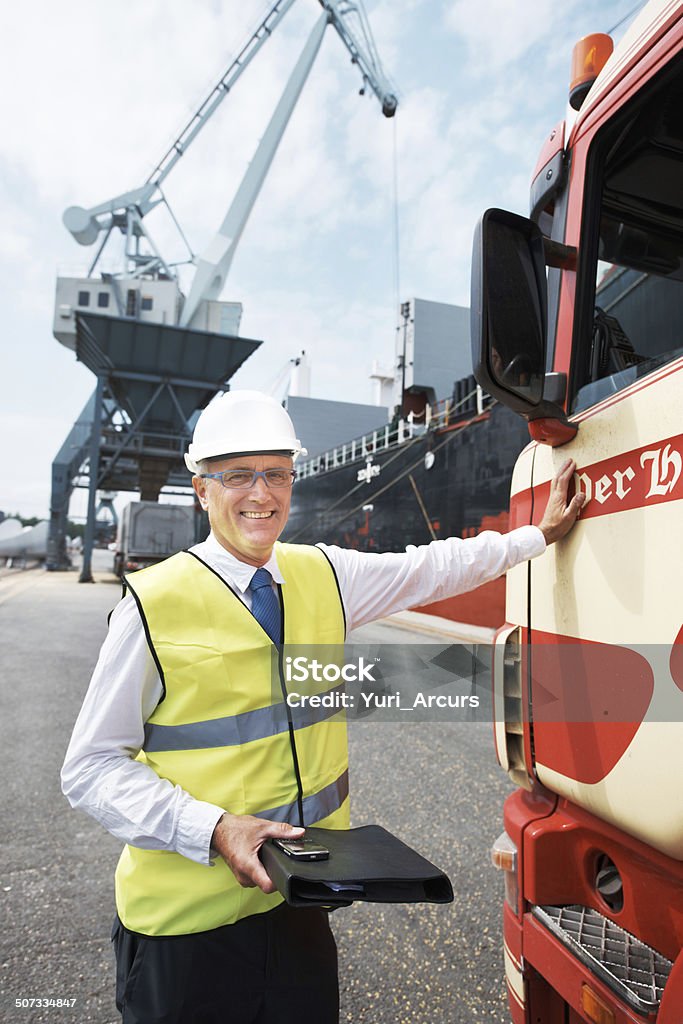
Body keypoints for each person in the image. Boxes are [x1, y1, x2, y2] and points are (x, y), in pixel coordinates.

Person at [61, 389, 584, 1024]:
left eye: (276, 474)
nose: (262, 494)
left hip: (299, 911)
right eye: (238, 476)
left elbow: (433, 568)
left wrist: (537, 535)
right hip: (183, 930)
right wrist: (215, 829)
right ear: (202, 490)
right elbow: (90, 768)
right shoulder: (152, 605)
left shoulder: (324, 575)